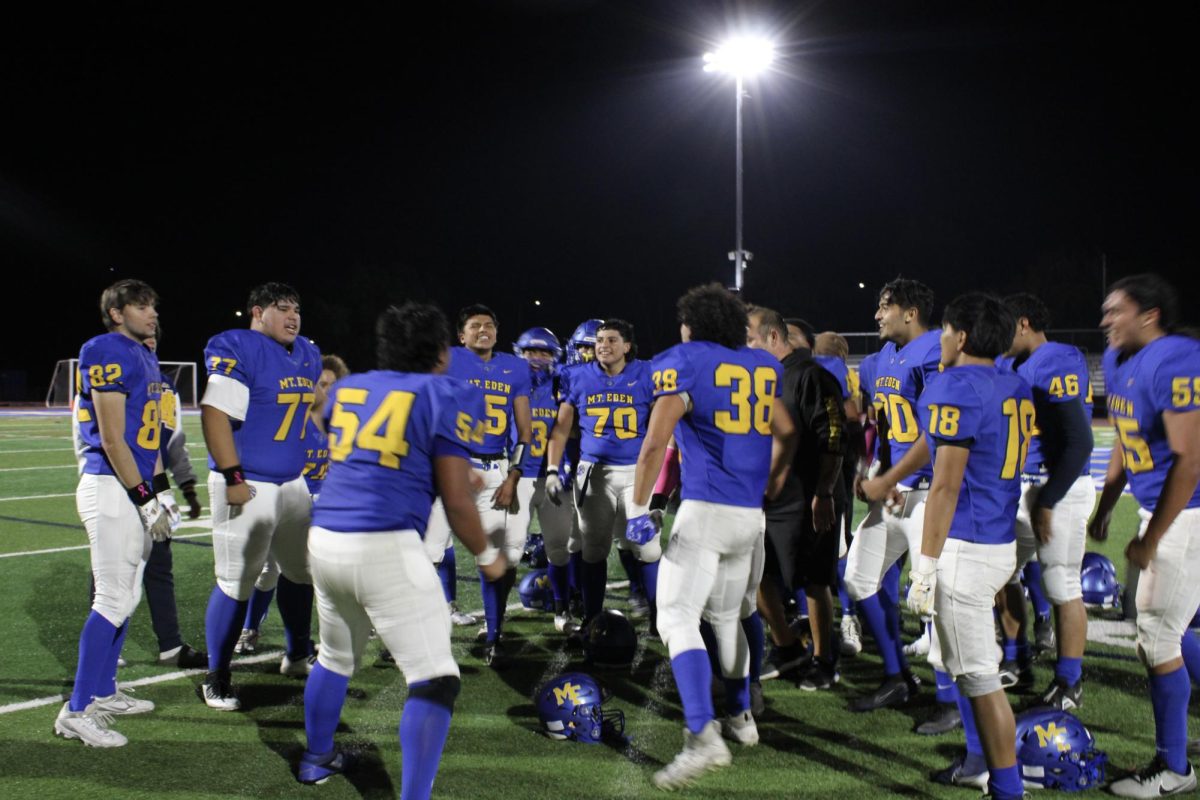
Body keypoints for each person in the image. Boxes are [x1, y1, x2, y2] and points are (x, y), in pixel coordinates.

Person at [299, 301, 505, 797]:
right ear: (441, 351)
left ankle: (316, 757)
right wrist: (487, 555)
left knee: (334, 656)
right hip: (385, 544)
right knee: (435, 680)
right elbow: (457, 503)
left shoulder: (351, 386)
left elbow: (332, 423)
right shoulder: (446, 391)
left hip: (326, 538)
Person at [626, 283, 796, 790]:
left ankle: (701, 735)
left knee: (675, 617)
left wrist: (639, 508)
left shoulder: (684, 361)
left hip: (706, 510)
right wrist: (772, 476)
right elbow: (780, 427)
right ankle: (742, 717)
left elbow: (656, 442)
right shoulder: (764, 366)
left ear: (690, 325)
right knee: (727, 618)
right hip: (750, 515)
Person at [904, 292, 1033, 800]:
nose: (940, 338)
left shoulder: (954, 386)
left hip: (967, 545)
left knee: (980, 678)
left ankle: (1006, 787)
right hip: (997, 538)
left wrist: (926, 565)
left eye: (944, 330)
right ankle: (982, 763)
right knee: (966, 670)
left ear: (959, 336)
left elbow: (945, 485)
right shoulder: (1013, 383)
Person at [1091, 274, 1200, 797]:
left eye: (1116, 311)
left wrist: (1153, 536)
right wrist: (1106, 505)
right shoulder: (1119, 362)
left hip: (1190, 512)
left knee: (1156, 636)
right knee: (1167, 628)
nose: (1105, 320)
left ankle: (1174, 769)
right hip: (1162, 508)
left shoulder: (1177, 358)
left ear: (1150, 314)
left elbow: (1190, 458)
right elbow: (1124, 435)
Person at [197, 282, 323, 710]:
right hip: (248, 481)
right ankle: (217, 675)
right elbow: (215, 414)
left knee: (301, 572)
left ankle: (297, 653)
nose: (292, 316)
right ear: (257, 312)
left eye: (296, 309)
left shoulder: (306, 351)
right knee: (236, 581)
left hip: (292, 482)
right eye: (281, 308)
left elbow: (314, 408)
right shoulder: (238, 345)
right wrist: (233, 475)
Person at [56, 279, 170, 746]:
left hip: (133, 486)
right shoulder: (104, 348)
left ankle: (103, 691)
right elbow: (111, 438)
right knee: (110, 599)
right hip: (110, 485)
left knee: (129, 596)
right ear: (117, 312)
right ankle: (77, 710)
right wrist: (144, 497)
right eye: (141, 305)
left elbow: (152, 438)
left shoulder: (145, 354)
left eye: (153, 305)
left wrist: (160, 492)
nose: (152, 312)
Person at [79, 326, 208, 669]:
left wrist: (170, 493)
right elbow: (105, 439)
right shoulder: (109, 373)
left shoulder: (162, 385)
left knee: (160, 561)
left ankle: (170, 645)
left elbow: (165, 444)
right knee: (111, 571)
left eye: (153, 341)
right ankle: (105, 655)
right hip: (114, 480)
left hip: (151, 478)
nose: (148, 345)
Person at [421, 304, 532, 667]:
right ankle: (411, 633)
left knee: (491, 555)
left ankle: (495, 635)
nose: (483, 330)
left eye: (489, 325)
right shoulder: (447, 358)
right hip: (450, 466)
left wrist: (513, 476)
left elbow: (524, 431)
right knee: (427, 555)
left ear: (498, 333)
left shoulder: (515, 368)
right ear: (461, 335)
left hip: (493, 470)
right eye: (474, 325)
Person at [850, 278, 942, 712]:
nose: (877, 315)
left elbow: (937, 433)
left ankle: (951, 699)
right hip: (895, 493)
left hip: (930, 493)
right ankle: (897, 677)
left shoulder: (937, 352)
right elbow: (881, 427)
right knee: (857, 577)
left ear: (911, 312)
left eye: (885, 306)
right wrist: (875, 470)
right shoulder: (878, 360)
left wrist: (888, 479)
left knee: (935, 600)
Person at [1000, 294, 1094, 708]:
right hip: (1021, 485)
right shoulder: (1011, 363)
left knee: (1060, 583)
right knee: (1000, 570)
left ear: (1022, 323)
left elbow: (1079, 441)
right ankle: (1016, 660)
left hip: (1058, 487)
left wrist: (1048, 499)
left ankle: (1069, 681)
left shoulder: (1057, 359)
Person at [746, 307, 846, 691]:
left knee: (813, 580)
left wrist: (823, 491)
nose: (746, 346)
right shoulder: (760, 377)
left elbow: (833, 436)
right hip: (766, 493)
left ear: (773, 337)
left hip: (805, 493)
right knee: (757, 573)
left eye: (751, 338)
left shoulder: (810, 376)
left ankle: (824, 660)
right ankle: (788, 647)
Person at [545, 319, 660, 631]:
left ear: (627, 346)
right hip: (594, 472)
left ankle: (659, 617)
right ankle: (592, 619)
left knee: (645, 546)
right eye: (599, 340)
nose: (603, 346)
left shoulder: (648, 373)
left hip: (638, 471)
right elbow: (561, 428)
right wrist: (553, 470)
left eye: (611, 340)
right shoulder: (576, 376)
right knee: (594, 548)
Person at [235, 354, 350, 655]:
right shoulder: (294, 421)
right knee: (268, 569)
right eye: (321, 384)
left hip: (326, 506)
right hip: (293, 501)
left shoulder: (344, 423)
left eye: (332, 385)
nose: (326, 391)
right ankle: (250, 628)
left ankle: (321, 637)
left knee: (324, 570)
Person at [509, 327, 579, 632]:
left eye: (544, 353)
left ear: (555, 356)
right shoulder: (508, 382)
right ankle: (496, 620)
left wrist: (561, 466)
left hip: (551, 478)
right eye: (531, 352)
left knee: (558, 548)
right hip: (518, 477)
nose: (537, 359)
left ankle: (562, 610)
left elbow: (564, 431)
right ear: (520, 353)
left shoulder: (562, 384)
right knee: (506, 551)